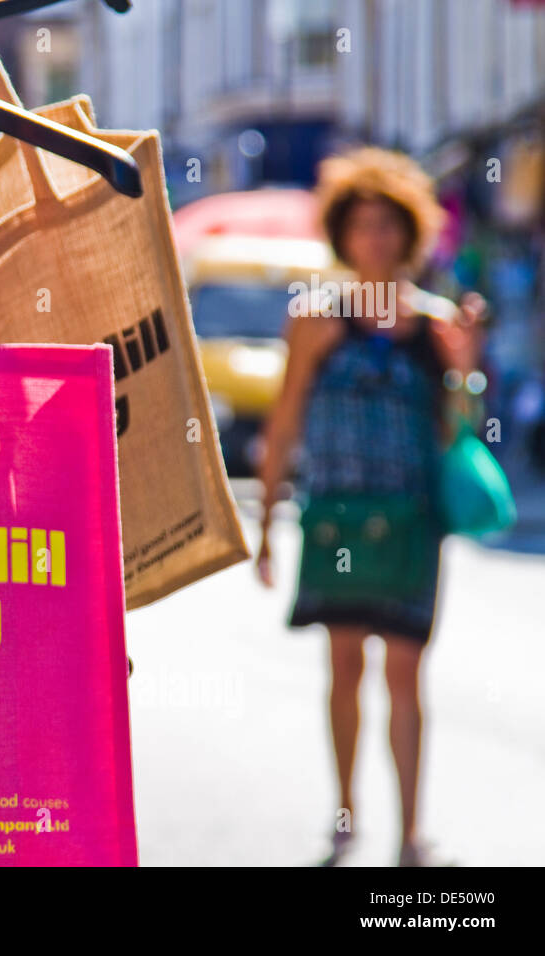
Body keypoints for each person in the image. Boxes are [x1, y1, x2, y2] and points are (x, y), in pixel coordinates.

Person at [256, 147, 485, 867]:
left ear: (410, 233)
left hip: (414, 521)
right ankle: (347, 812)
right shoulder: (315, 320)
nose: (376, 239)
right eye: (362, 226)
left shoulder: (436, 325)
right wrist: (265, 524)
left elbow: (459, 434)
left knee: (407, 674)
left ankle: (411, 832)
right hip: (337, 520)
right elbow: (284, 422)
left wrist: (465, 368)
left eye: (388, 225)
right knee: (346, 667)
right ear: (342, 234)